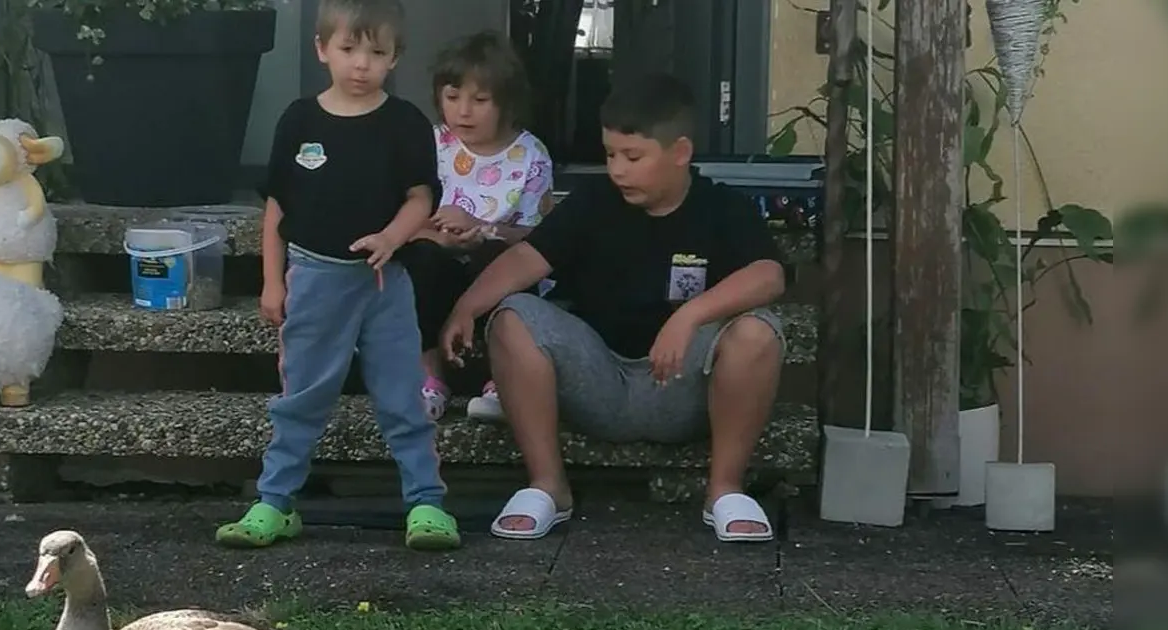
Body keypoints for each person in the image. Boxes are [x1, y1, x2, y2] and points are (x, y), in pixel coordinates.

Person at [438, 72, 787, 543]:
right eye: (610, 155)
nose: (618, 170)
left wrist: (689, 316)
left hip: (684, 391)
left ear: (680, 153)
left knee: (757, 332)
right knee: (513, 316)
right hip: (598, 383)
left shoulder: (722, 208)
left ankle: (725, 490)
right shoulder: (594, 202)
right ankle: (547, 487)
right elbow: (525, 258)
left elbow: (770, 275)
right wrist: (466, 306)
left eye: (633, 156)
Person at [216, 0, 460, 552]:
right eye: (349, 49)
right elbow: (277, 210)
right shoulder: (300, 120)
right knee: (301, 396)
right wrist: (273, 282)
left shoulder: (405, 123)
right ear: (322, 49)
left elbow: (421, 197)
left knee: (404, 395)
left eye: (377, 52)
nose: (361, 64)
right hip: (314, 280)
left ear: (394, 58)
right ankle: (275, 502)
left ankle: (426, 503)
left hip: (383, 284)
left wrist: (393, 238)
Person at [401, 30, 555, 424]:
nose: (463, 112)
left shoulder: (531, 156)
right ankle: (429, 375)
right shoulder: (430, 144)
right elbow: (402, 217)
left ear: (507, 103)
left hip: (495, 259)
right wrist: (437, 237)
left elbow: (541, 238)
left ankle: (499, 381)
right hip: (437, 259)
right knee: (420, 261)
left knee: (504, 263)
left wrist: (484, 228)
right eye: (452, 98)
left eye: (480, 100)